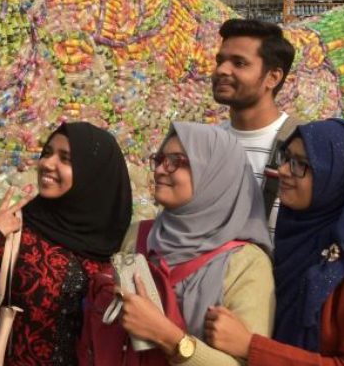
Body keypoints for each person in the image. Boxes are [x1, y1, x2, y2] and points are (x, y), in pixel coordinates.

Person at [204, 119, 344, 365]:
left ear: (338, 179)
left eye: (301, 165)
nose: (284, 170)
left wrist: (250, 347)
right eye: (286, 158)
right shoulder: (303, 243)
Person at [0, 122, 132, 366]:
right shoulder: (15, 229)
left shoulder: (116, 248)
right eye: (47, 153)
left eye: (65, 159)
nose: (47, 163)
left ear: (94, 173)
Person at [113, 122, 275, 365]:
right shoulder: (139, 235)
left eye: (176, 161)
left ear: (215, 175)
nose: (159, 170)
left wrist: (167, 337)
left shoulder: (246, 264)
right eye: (159, 159)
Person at [213, 19, 297, 238]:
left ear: (272, 77)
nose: (222, 70)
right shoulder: (209, 144)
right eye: (220, 60)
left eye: (239, 63)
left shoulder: (299, 149)